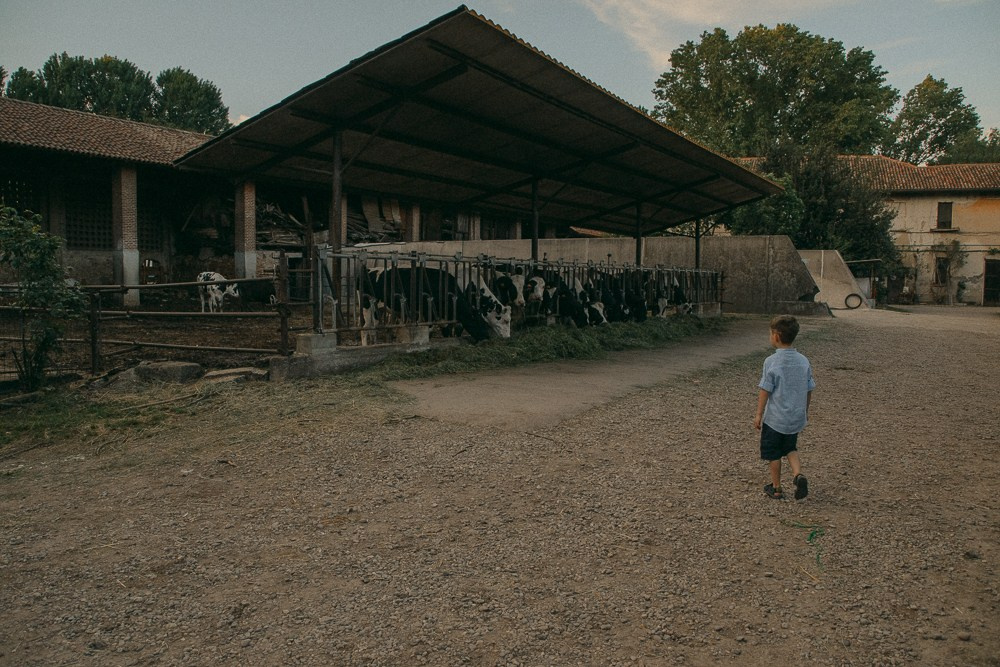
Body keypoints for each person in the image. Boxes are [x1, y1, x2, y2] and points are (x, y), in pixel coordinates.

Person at [754, 315, 815, 500]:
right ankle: (798, 475)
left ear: (777, 336)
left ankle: (777, 487)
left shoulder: (771, 362)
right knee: (790, 447)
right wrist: (804, 410)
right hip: (795, 416)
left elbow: (765, 390)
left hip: (775, 418)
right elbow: (809, 388)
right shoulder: (803, 360)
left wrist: (758, 414)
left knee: (774, 453)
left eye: (770, 333)